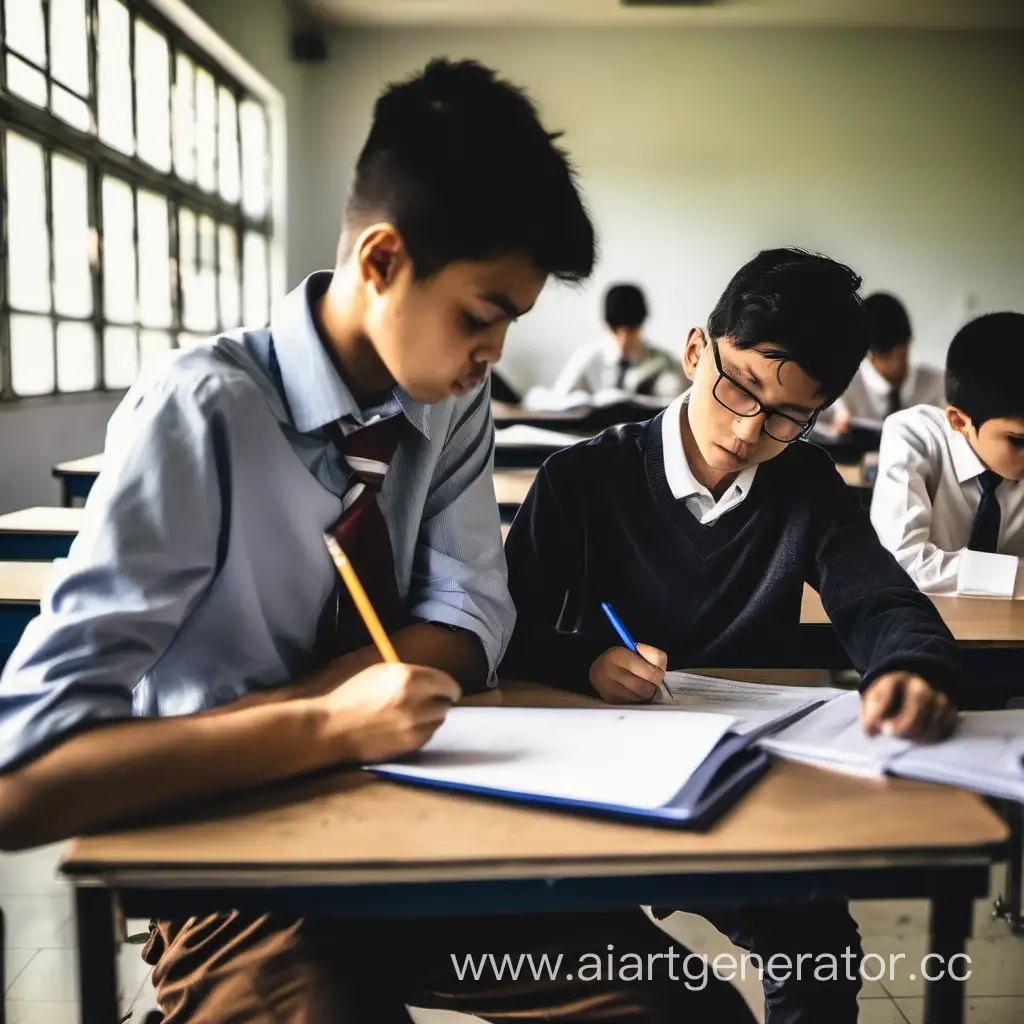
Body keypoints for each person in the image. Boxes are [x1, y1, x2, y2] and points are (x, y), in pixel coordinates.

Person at [0, 59, 756, 1024]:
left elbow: (472, 622)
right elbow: (24, 776)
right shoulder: (201, 412)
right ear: (381, 260)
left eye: (510, 324)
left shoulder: (450, 400)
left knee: (683, 1008)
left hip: (436, 820)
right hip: (240, 868)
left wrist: (358, 707)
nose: (492, 357)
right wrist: (324, 723)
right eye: (480, 318)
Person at [503, 248, 961, 1024]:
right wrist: (584, 660)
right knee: (644, 993)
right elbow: (503, 630)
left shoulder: (809, 485)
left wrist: (909, 666)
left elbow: (881, 598)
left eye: (788, 415)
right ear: (694, 351)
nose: (752, 430)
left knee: (821, 960)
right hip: (600, 781)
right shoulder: (581, 480)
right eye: (740, 386)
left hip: (747, 781)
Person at [871, 311, 1024, 598]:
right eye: (1018, 441)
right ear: (959, 422)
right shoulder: (912, 434)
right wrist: (1017, 575)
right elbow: (902, 563)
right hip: (925, 627)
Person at [824, 292, 945, 432]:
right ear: (868, 355)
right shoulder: (841, 390)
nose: (896, 363)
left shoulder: (938, 384)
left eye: (901, 353)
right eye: (887, 357)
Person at [548, 283, 685, 402]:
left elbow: (675, 400)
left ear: (642, 324)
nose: (623, 342)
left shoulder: (663, 362)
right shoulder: (588, 357)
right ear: (606, 324)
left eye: (630, 331)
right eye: (616, 331)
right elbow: (559, 399)